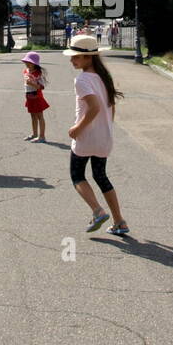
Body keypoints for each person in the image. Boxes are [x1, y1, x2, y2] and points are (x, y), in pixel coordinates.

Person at [64, 35, 127, 235]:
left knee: (77, 175)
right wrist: (107, 126)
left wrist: (77, 129)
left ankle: (98, 211)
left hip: (87, 137)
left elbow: (94, 107)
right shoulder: (103, 77)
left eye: (76, 57)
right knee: (101, 176)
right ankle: (119, 221)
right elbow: (110, 107)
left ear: (89, 58)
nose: (72, 60)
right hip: (103, 137)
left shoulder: (82, 80)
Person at [21, 52, 49, 142]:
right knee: (33, 116)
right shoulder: (25, 71)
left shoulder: (38, 73)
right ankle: (34, 134)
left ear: (35, 63)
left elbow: (41, 87)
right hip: (29, 96)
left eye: (29, 62)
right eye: (26, 62)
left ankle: (42, 136)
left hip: (37, 96)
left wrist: (32, 83)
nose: (27, 64)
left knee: (40, 116)